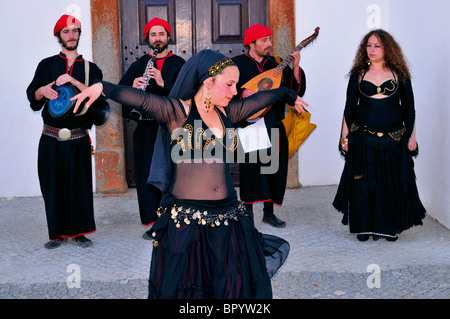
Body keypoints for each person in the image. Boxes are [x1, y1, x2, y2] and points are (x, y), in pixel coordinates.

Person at [71, 49, 307, 299]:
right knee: (190, 285)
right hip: (187, 218)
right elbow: (139, 100)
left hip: (228, 214)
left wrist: (288, 94)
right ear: (208, 81)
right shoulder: (177, 112)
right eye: (229, 84)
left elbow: (262, 99)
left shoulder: (227, 112)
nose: (234, 91)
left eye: (235, 85)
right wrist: (102, 87)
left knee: (230, 283)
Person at [333, 29, 426, 242]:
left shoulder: (399, 74)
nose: (371, 49)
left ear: (387, 48)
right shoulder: (358, 74)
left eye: (377, 45)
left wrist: (412, 136)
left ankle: (389, 226)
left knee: (390, 183)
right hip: (363, 138)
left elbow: (409, 109)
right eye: (368, 45)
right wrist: (344, 137)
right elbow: (349, 107)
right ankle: (364, 226)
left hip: (393, 138)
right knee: (363, 182)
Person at [26, 14, 109, 249]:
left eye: (75, 31)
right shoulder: (46, 65)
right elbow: (33, 96)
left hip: (78, 137)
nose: (71, 35)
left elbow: (99, 96)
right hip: (51, 137)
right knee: (53, 185)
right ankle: (56, 234)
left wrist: (74, 80)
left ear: (79, 35)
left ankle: (79, 232)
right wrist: (42, 90)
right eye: (66, 31)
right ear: (58, 36)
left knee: (79, 187)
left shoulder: (90, 68)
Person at [232, 24, 306, 228]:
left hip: (273, 123)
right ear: (251, 43)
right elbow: (222, 89)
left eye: (269, 39)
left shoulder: (276, 63)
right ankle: (247, 213)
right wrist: (241, 95)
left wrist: (297, 66)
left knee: (273, 169)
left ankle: (269, 212)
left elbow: (296, 90)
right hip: (249, 125)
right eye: (264, 40)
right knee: (250, 171)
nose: (269, 44)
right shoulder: (235, 64)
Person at [119, 18, 185, 232]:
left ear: (168, 37)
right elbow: (120, 94)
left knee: (174, 175)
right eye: (153, 35)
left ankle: (172, 221)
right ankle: (151, 222)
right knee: (147, 175)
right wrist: (133, 87)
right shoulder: (139, 65)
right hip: (147, 129)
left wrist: (163, 83)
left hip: (171, 128)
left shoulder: (179, 64)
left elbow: (188, 94)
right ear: (148, 39)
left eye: (161, 34)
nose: (158, 38)